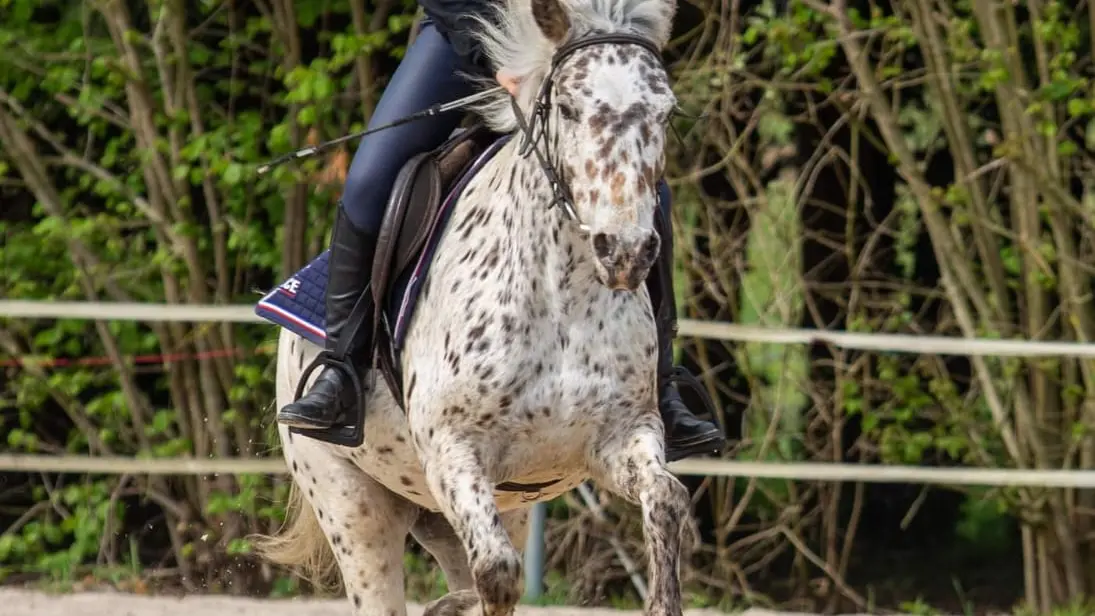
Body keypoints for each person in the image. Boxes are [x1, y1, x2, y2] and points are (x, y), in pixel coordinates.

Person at [275, 0, 726, 461]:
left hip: (585, 43)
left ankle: (663, 386)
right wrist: (496, 60)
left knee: (646, 194)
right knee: (369, 182)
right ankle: (341, 367)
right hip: (470, 30)